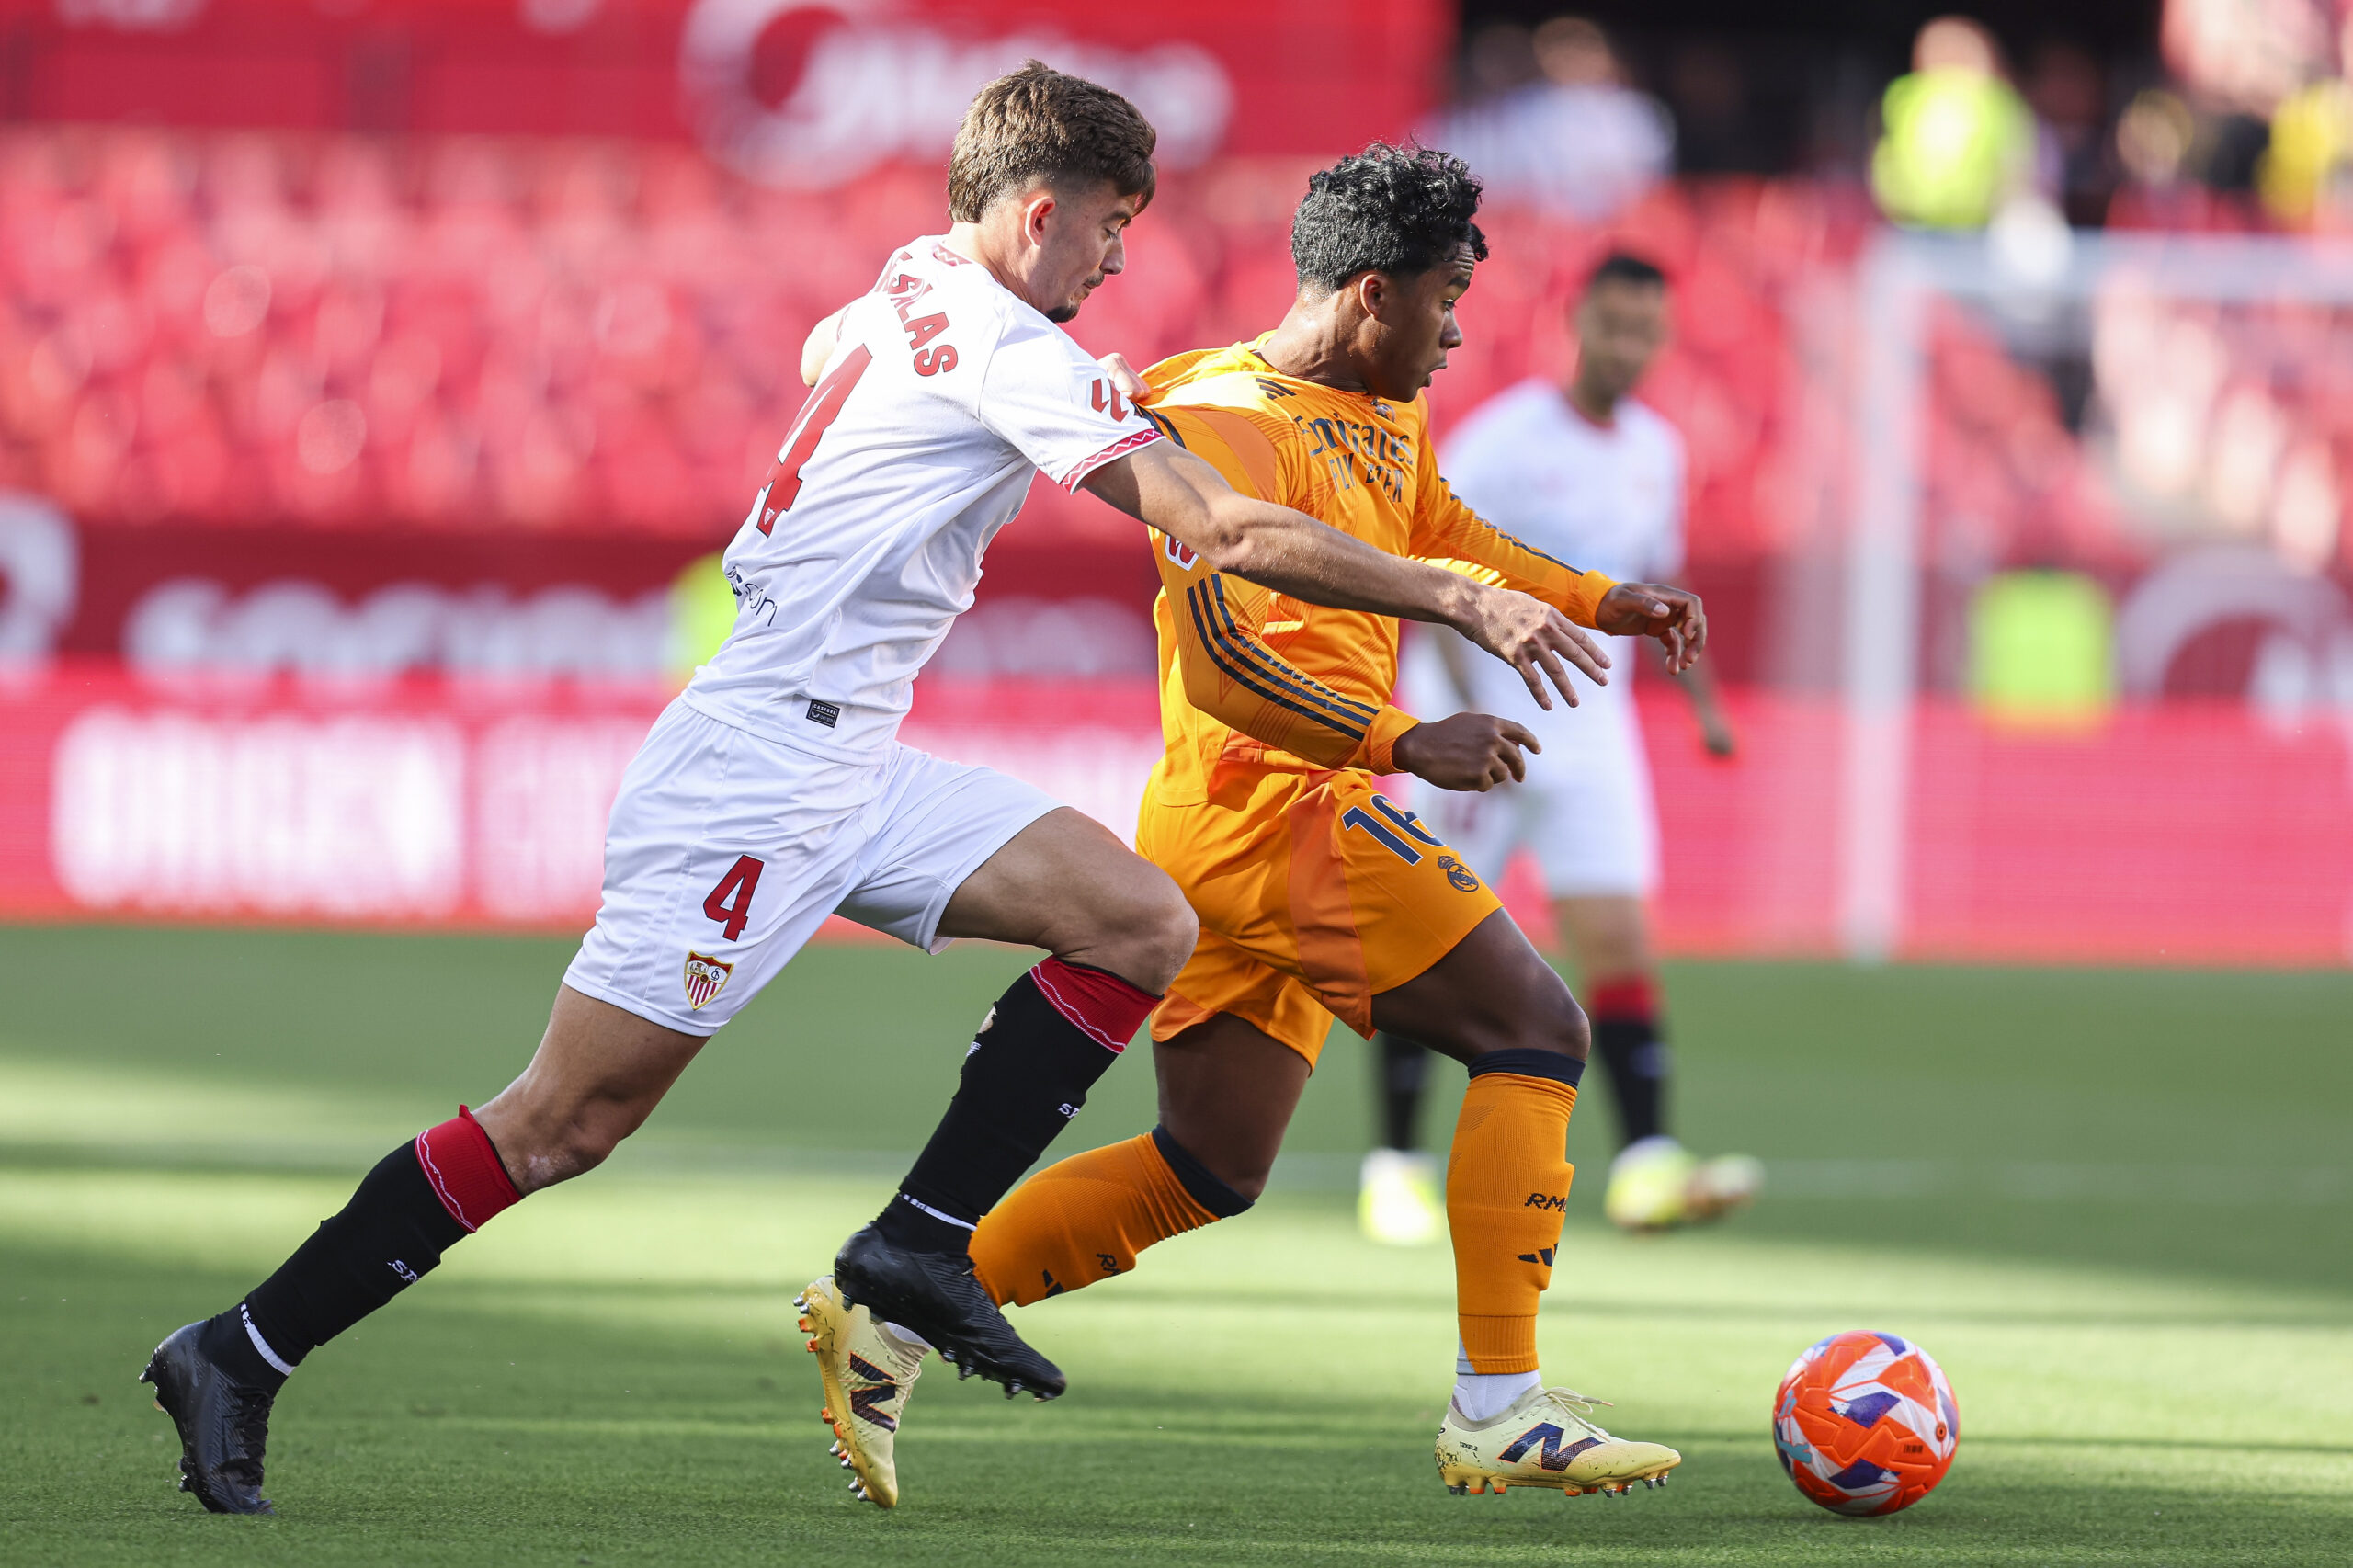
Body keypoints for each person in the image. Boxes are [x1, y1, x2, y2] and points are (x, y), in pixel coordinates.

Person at [141, 69, 1609, 1517]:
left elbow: (828, 359)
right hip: (760, 772)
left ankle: (916, 1243)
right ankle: (240, 1348)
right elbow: (1217, 525)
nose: (1117, 257)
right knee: (565, 1122)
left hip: (851, 753)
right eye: (1109, 226)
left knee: (1135, 920)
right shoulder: (1014, 347)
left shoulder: (913, 280)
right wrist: (1452, 596)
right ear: (1038, 214)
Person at [806, 142, 1708, 1510]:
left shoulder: (1382, 401)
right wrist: (1406, 738)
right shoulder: (1216, 416)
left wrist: (1594, 595)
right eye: (1445, 298)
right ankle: (1498, 1404)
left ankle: (891, 1298)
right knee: (1538, 1027)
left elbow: (1443, 522)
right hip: (1269, 812)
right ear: (1367, 294)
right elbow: (1227, 667)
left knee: (1206, 1165)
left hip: (1241, 833)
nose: (1460, 328)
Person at [1370, 253, 1761, 1244]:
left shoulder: (1656, 450)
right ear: (1578, 321)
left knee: (1620, 939)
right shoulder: (1503, 441)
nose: (1629, 347)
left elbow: (1659, 584)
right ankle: (1396, 1167)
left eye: (1647, 331)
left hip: (1593, 736)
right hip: (1480, 737)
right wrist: (1450, 714)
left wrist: (1704, 707)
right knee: (1429, 951)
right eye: (1615, 324)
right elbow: (1430, 571)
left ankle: (1645, 1164)